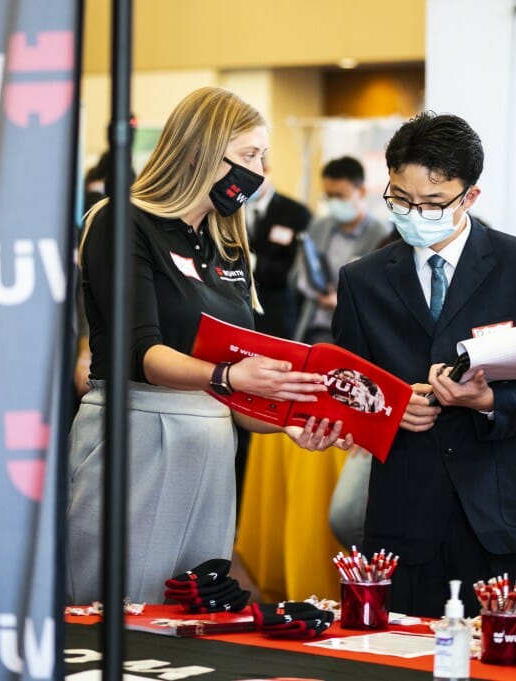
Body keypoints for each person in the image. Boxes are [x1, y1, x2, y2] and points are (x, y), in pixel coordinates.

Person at [67, 87, 353, 606]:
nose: (260, 171)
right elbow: (141, 352)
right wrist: (225, 377)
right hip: (137, 438)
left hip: (214, 446)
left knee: (192, 611)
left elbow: (239, 393)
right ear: (199, 153)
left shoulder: (228, 244)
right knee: (120, 608)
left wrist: (289, 420)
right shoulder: (122, 222)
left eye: (263, 157)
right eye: (248, 156)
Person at [331, 112, 516, 618]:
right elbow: (347, 389)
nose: (416, 213)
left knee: (502, 661)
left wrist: (488, 401)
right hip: (405, 512)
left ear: (470, 197)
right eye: (401, 199)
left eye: (434, 203)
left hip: (498, 513)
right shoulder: (363, 279)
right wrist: (392, 410)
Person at [294, 156, 390, 344]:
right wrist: (317, 292)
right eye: (329, 196)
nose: (334, 202)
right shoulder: (319, 225)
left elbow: (382, 294)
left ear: (361, 191)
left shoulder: (382, 236)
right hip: (313, 326)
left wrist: (340, 301)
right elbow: (302, 270)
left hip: (354, 332)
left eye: (340, 196)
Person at [244, 159, 312, 340]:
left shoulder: (295, 212)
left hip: (277, 307)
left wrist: (255, 263)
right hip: (240, 304)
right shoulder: (229, 211)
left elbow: (293, 267)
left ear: (266, 170)